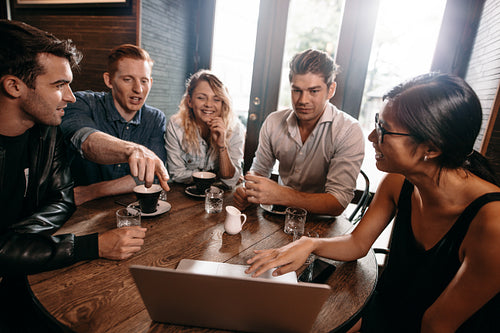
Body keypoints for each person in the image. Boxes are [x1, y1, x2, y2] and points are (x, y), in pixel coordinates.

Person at [246, 73, 500, 333]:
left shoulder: (493, 223)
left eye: (383, 130)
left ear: (431, 149)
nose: (370, 136)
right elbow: (357, 243)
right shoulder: (397, 182)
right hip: (388, 309)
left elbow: (437, 325)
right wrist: (309, 243)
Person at [0, 20, 148, 332]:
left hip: (28, 266)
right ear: (14, 86)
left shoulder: (46, 130)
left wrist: (14, 242)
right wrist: (92, 246)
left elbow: (63, 199)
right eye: (58, 85)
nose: (70, 96)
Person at [233, 49, 364, 216]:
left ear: (331, 90)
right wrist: (247, 189)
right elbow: (259, 171)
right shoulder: (273, 122)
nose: (303, 100)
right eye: (297, 90)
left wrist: (282, 195)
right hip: (279, 213)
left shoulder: (349, 130)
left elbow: (338, 202)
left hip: (324, 221)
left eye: (313, 91)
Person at [60, 44, 169, 205]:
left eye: (144, 81)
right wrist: (134, 150)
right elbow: (87, 142)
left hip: (127, 207)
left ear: (151, 83)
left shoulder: (155, 118)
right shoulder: (81, 102)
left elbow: (152, 175)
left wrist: (92, 191)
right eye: (127, 79)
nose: (138, 89)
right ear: (109, 80)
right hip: (79, 210)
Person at [165, 69, 245, 189]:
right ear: (190, 101)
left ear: (223, 103)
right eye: (201, 98)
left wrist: (222, 145)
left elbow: (229, 182)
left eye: (216, 99)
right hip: (187, 194)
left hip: (221, 196)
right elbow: (177, 174)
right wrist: (216, 176)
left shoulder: (235, 128)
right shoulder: (176, 126)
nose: (208, 104)